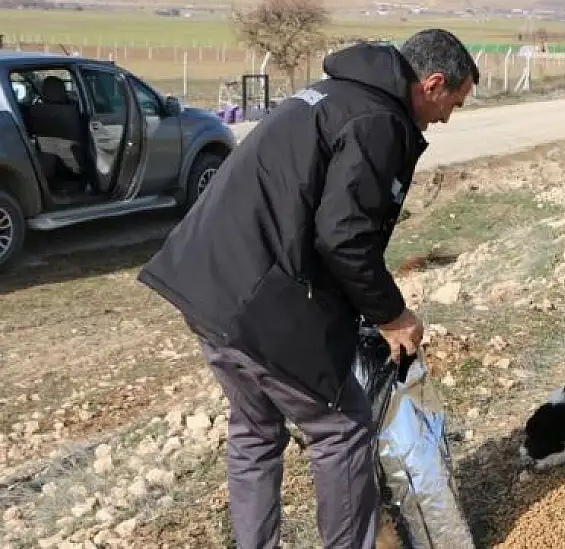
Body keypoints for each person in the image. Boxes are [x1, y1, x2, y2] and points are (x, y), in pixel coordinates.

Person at [137, 28, 479, 548]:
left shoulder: (338, 93)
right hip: (257, 297)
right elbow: (344, 238)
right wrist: (393, 315)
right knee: (341, 430)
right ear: (432, 84)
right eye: (453, 103)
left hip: (206, 286)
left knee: (256, 431)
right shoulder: (378, 122)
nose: (449, 118)